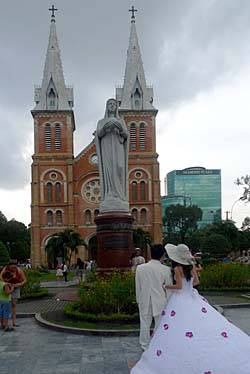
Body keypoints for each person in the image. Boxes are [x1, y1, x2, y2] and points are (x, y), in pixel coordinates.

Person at [131, 243, 250, 374]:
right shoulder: (170, 269)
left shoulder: (142, 268)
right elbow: (194, 282)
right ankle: (160, 345)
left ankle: (146, 346)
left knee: (147, 323)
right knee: (162, 325)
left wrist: (147, 295)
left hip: (150, 299)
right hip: (174, 298)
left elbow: (142, 286)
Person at [135, 244, 172, 352]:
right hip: (160, 299)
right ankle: (157, 343)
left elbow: (138, 286)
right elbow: (168, 288)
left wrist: (138, 299)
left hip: (144, 298)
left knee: (144, 323)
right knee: (159, 323)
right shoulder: (166, 269)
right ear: (163, 255)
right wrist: (169, 301)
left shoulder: (140, 268)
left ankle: (144, 345)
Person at [95, 98, 129, 213]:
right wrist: (105, 128)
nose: (112, 106)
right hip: (106, 150)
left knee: (119, 168)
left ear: (117, 107)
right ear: (106, 106)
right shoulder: (101, 122)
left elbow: (125, 135)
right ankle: (110, 193)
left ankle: (120, 196)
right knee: (108, 170)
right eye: (109, 104)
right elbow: (98, 134)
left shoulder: (121, 121)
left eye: (114, 104)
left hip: (118, 149)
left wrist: (119, 127)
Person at [0, 260, 27, 327]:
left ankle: (14, 322)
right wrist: (6, 283)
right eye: (12, 268)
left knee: (14, 305)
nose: (13, 269)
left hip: (15, 288)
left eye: (14, 268)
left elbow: (25, 280)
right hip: (6, 287)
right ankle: (3, 323)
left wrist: (20, 284)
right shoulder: (5, 269)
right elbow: (1, 277)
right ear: (9, 266)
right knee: (4, 305)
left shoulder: (19, 270)